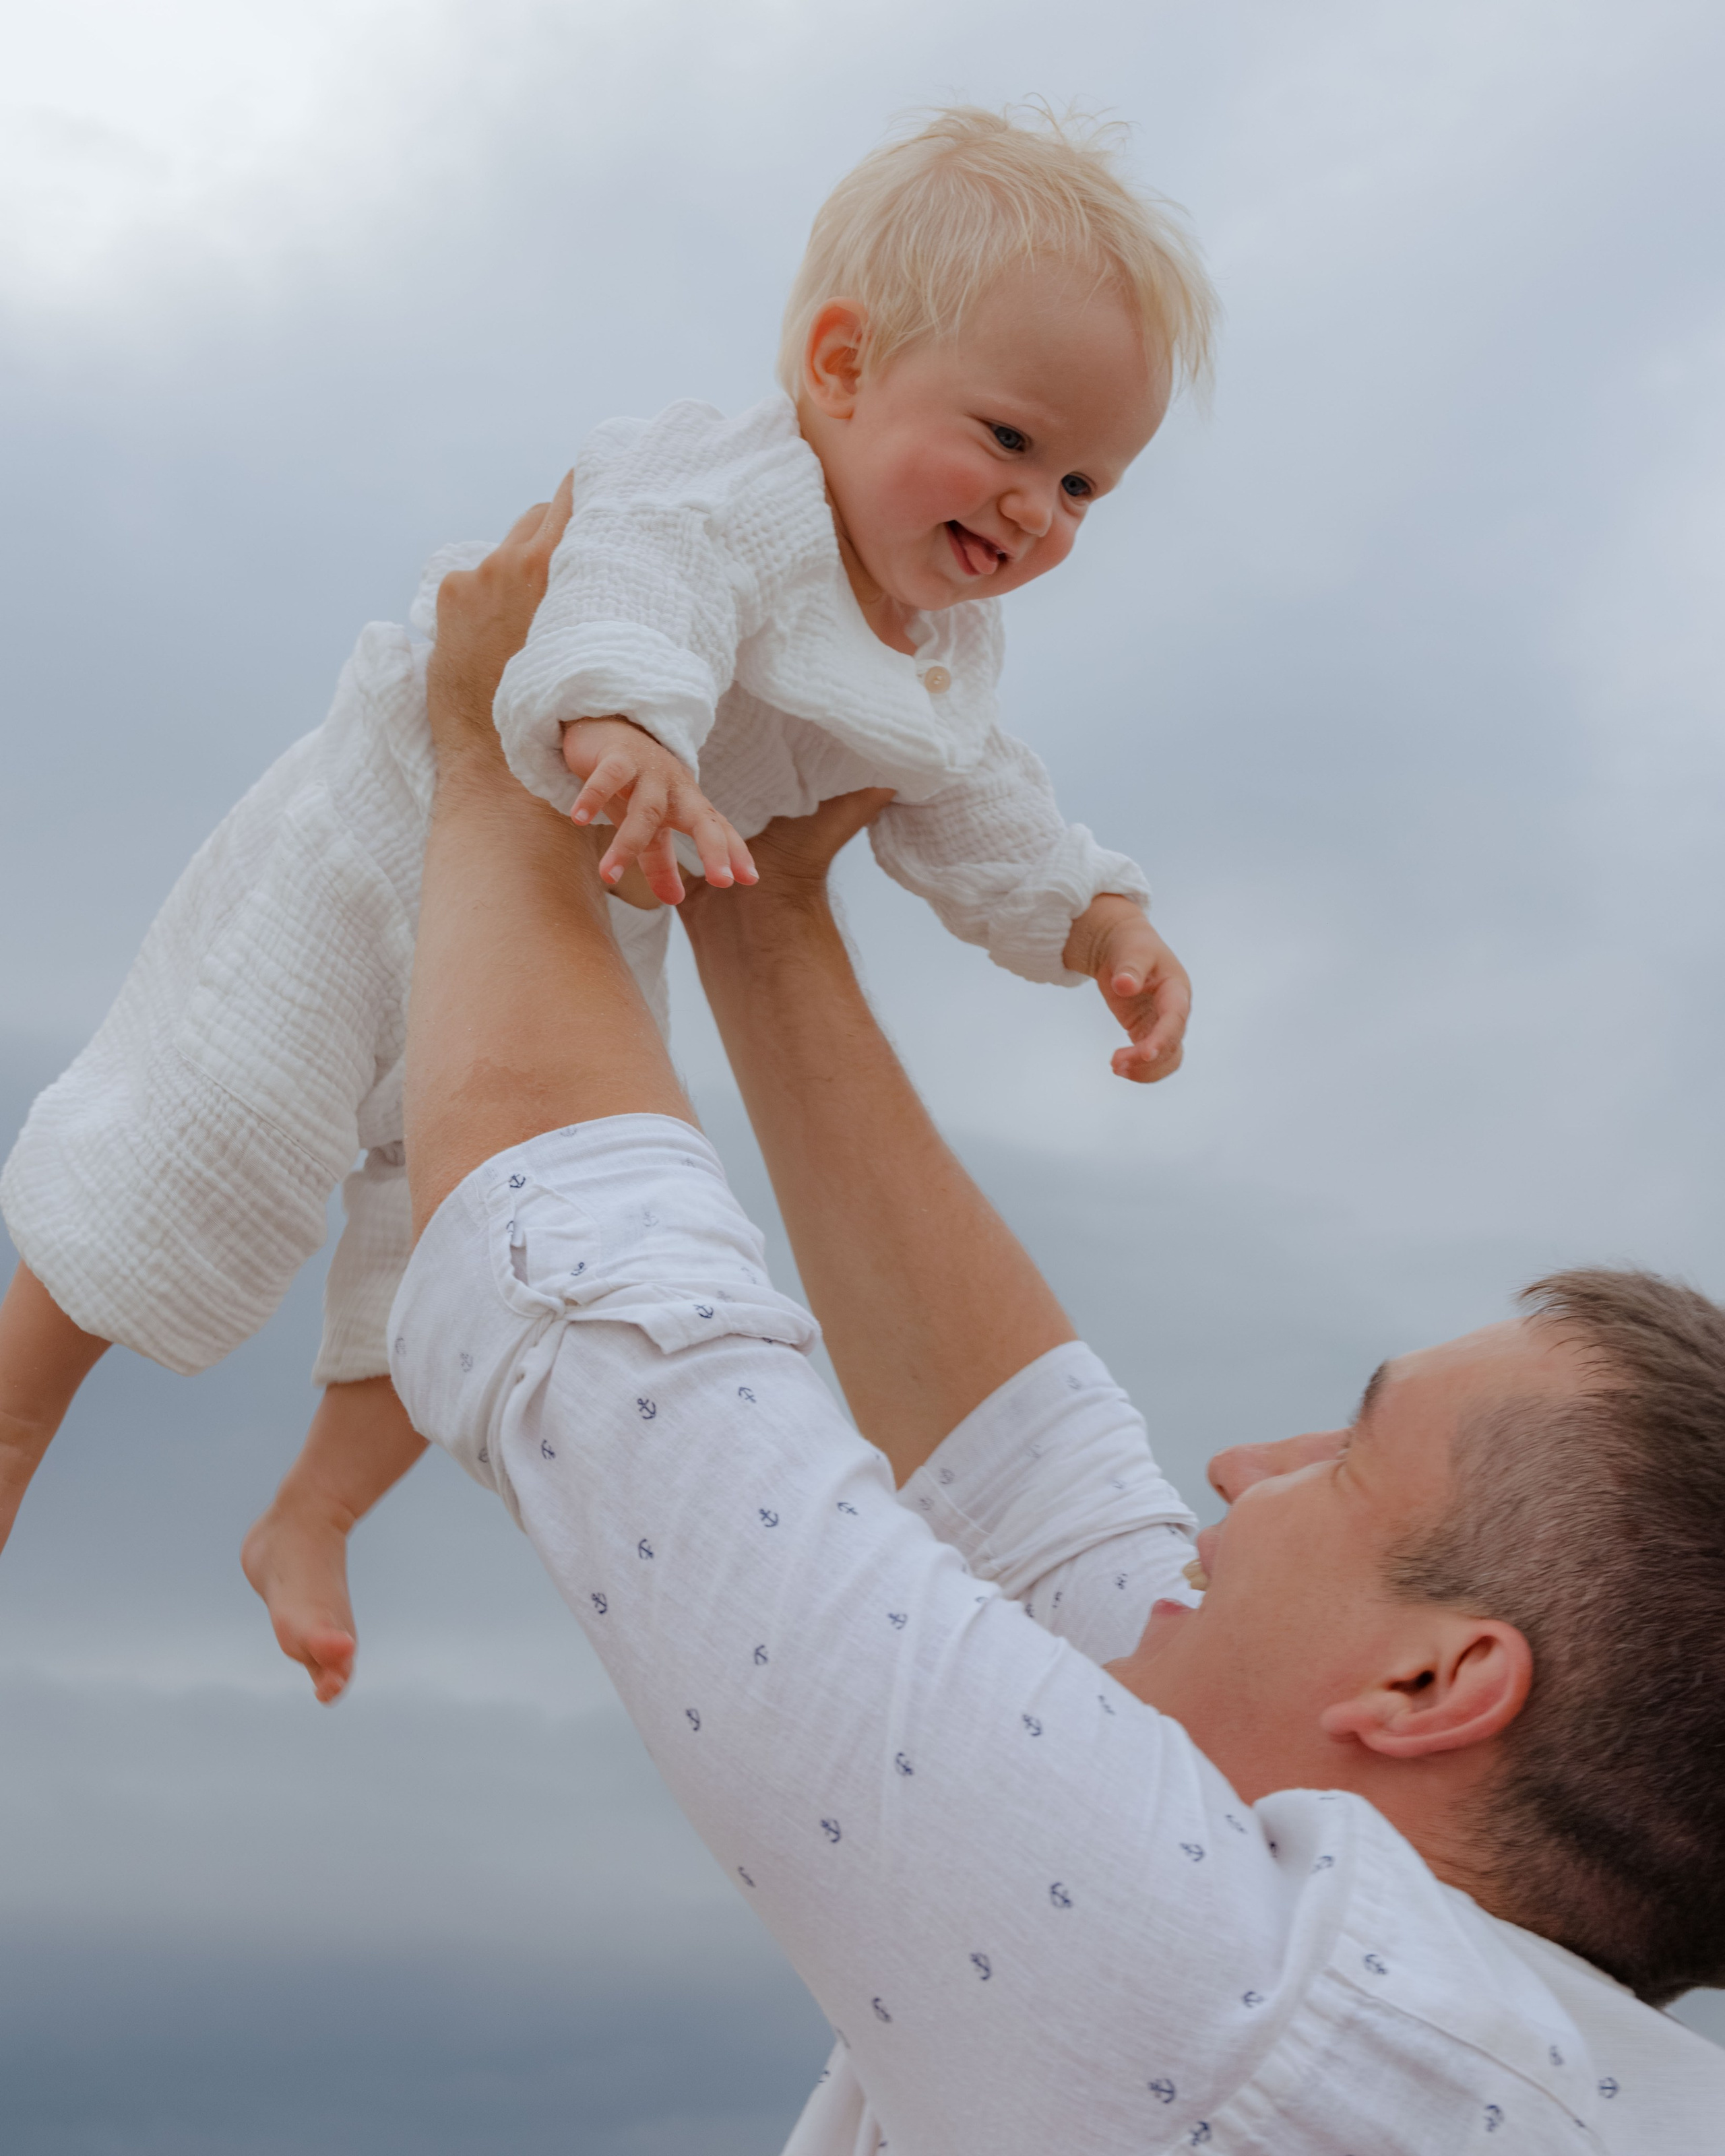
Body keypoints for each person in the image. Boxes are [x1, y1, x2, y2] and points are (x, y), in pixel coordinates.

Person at [385, 503, 1725, 2151]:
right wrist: (761, 896)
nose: (1239, 1466)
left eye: (1344, 1461)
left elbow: (609, 1334)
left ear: (1434, 1678)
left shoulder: (1261, 2021)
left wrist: (495, 752)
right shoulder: (1438, 2018)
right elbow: (1043, 1501)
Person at [0, 104, 1214, 1703]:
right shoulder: (733, 487)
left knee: (475, 1225)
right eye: (1007, 441)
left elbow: (976, 796)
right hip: (381, 840)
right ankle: (17, 1421)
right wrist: (628, 725)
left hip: (581, 913)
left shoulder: (936, 654)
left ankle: (313, 1510)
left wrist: (1087, 921)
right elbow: (636, 577)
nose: (1039, 510)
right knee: (209, 1126)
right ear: (841, 370)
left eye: (1081, 484)